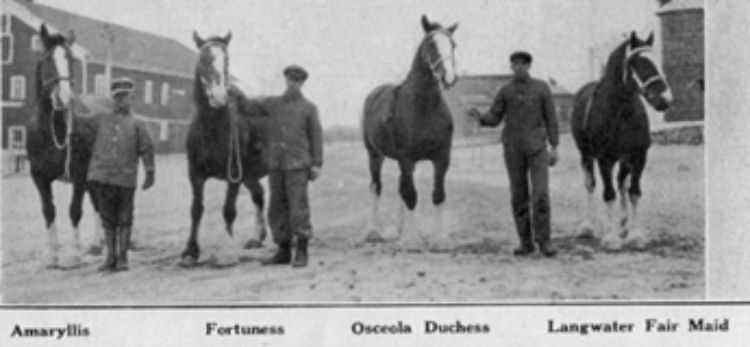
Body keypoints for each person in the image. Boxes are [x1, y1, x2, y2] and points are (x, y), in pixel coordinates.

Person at [468, 51, 559, 257]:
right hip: (512, 150)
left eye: (523, 64)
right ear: (511, 67)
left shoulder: (542, 88)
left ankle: (545, 242)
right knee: (519, 196)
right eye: (515, 64)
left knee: (541, 195)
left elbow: (551, 119)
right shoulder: (506, 91)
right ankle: (525, 242)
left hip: (537, 149)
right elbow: (495, 117)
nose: (519, 67)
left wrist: (554, 147)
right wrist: (480, 117)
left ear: (529, 66)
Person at [88, 77, 155, 271]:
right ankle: (110, 258)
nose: (123, 100)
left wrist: (150, 172)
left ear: (132, 98)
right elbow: (82, 126)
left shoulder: (138, 123)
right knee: (107, 220)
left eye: (127, 96)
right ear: (113, 98)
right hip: (103, 178)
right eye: (119, 97)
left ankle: (123, 257)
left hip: (126, 180)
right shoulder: (100, 119)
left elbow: (147, 148)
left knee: (125, 219)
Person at [260, 65, 323, 268]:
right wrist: (233, 94)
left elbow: (316, 138)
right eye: (290, 80)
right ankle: (283, 250)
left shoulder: (309, 108)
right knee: (277, 208)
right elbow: (249, 106)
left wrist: (317, 164)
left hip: (298, 166)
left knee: (298, 208)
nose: (293, 84)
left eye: (297, 81)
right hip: (276, 164)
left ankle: (302, 251)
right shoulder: (273, 104)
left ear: (302, 83)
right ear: (285, 81)